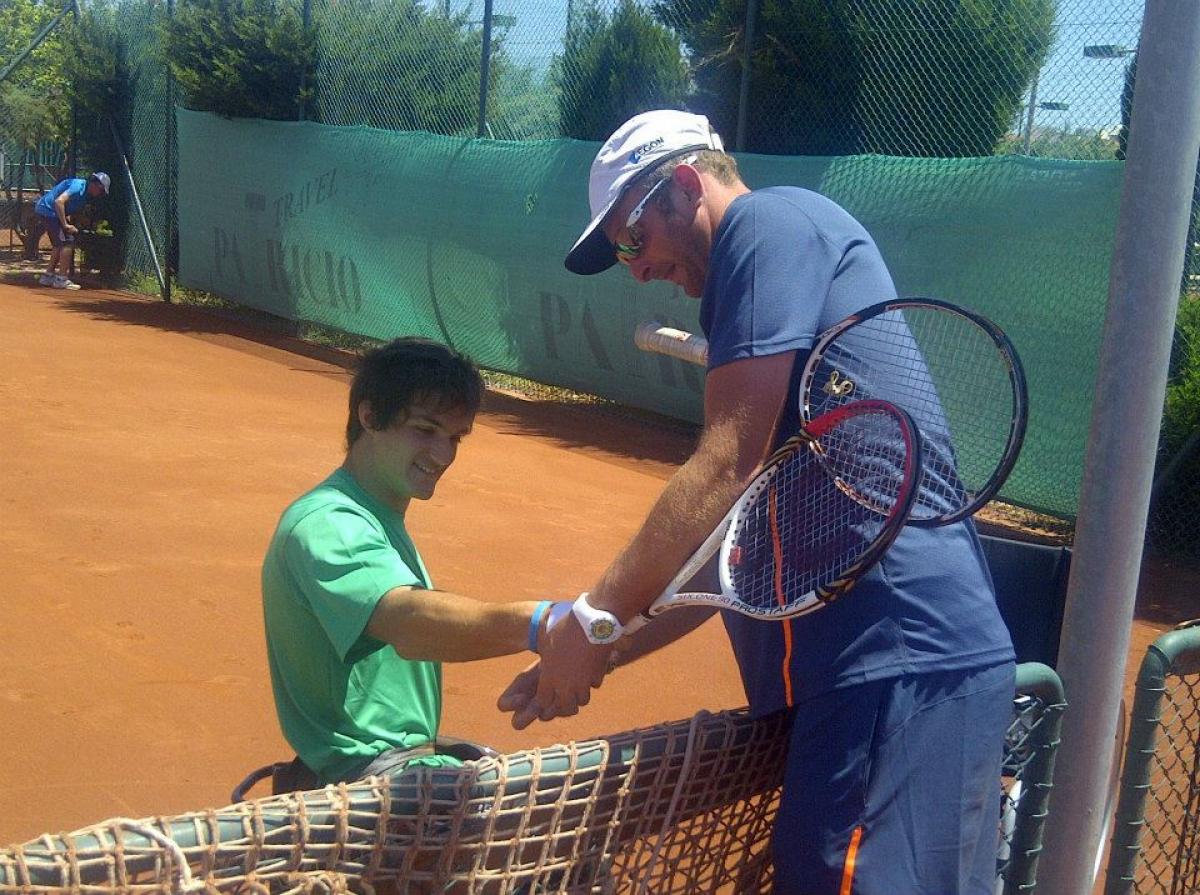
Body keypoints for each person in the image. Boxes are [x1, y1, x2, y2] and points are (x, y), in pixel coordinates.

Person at [498, 110, 1017, 894]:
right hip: (897, 674)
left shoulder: (766, 227)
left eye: (632, 240)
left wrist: (595, 614)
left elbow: (723, 467)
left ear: (680, 186)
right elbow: (726, 566)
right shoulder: (773, 319)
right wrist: (604, 647)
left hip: (891, 664)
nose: (634, 268)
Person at [262, 336, 565, 788]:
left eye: (454, 437)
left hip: (401, 763)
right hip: (366, 783)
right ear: (369, 416)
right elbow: (409, 623)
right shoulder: (331, 525)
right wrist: (541, 624)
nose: (443, 455)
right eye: (425, 430)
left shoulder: (375, 517)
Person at [33, 171, 110, 290]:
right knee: (67, 242)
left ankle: (48, 276)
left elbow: (73, 210)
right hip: (49, 211)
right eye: (101, 190)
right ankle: (61, 279)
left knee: (58, 244)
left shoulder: (85, 193)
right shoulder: (78, 186)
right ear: (96, 185)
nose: (100, 194)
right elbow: (59, 202)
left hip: (48, 211)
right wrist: (65, 225)